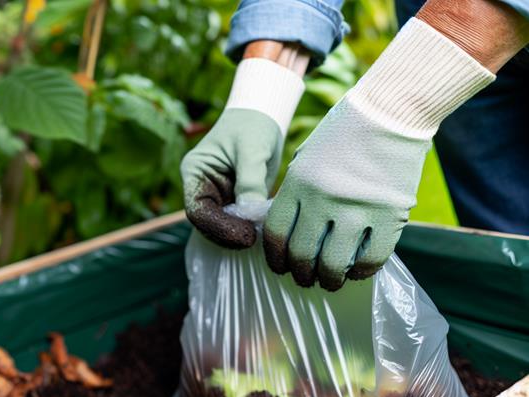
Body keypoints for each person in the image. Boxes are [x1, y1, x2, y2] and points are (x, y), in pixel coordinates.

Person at [182, 0, 529, 291]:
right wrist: (263, 88)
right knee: (512, 253)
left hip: (475, 23)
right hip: (445, 16)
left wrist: (393, 111)